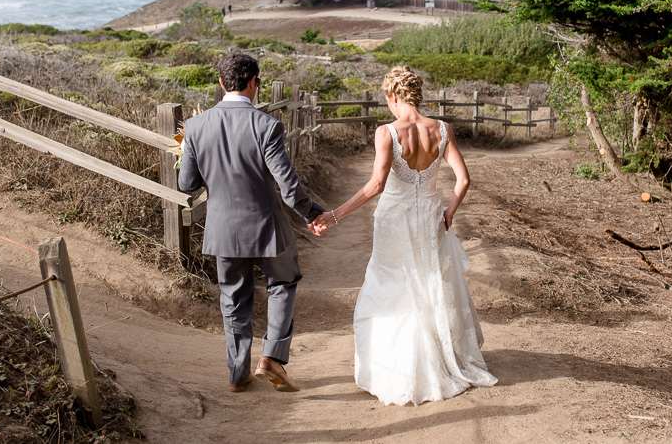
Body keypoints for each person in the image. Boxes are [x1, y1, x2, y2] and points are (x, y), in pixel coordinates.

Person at [313, 66, 497, 405]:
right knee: (427, 285)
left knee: (392, 288)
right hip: (430, 218)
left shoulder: (387, 132)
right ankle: (438, 360)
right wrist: (450, 212)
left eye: (387, 100)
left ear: (393, 96)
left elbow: (376, 185)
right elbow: (464, 180)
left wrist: (334, 215)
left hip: (394, 221)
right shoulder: (442, 130)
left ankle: (399, 369)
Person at [179, 52, 324, 393]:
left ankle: (236, 373)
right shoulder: (266, 126)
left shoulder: (196, 127)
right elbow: (288, 187)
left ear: (220, 84)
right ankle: (272, 357)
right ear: (254, 82)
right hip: (266, 226)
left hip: (222, 229)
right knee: (283, 283)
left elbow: (187, 184)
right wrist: (312, 212)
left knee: (233, 297)